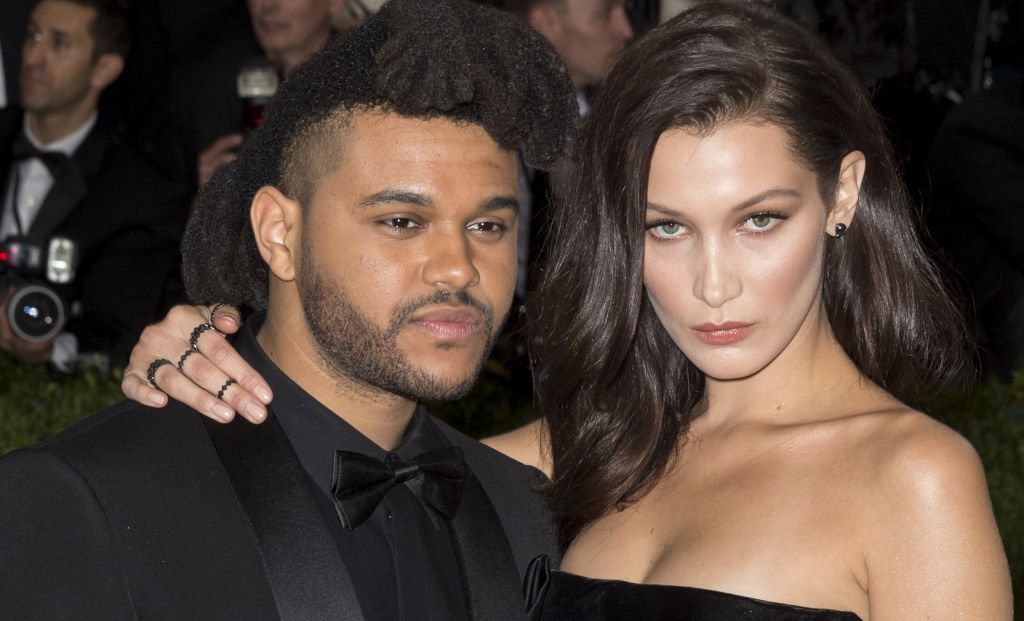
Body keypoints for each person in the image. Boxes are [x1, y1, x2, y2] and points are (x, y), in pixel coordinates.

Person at [121, 2, 1013, 618]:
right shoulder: (593, 445)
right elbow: (338, 446)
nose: (714, 284)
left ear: (843, 194)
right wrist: (208, 352)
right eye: (666, 227)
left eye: (759, 220)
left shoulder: (913, 479)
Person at [0, 1, 579, 618]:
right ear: (279, 234)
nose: (459, 268)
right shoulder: (86, 500)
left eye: (488, 225)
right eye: (402, 222)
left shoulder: (524, 514)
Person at [0, 0, 184, 371]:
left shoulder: (138, 193)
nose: (34, 57)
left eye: (59, 43)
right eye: (33, 36)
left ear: (104, 69)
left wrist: (50, 350)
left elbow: (116, 334)